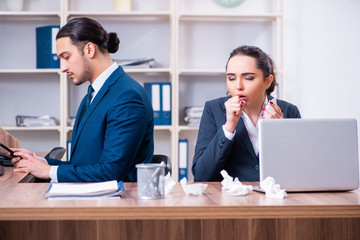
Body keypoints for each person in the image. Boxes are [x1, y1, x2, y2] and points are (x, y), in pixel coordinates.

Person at [11, 17, 154, 182]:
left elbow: (110, 172)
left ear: (89, 50)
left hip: (113, 204)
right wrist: (39, 163)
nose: (63, 68)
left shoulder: (127, 96)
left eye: (67, 57)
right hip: (90, 197)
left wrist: (49, 171)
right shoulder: (92, 95)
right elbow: (83, 165)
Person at [192, 45, 301, 182]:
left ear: (267, 81)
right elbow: (201, 175)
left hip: (276, 198)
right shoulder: (213, 109)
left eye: (248, 78)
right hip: (230, 200)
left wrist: (280, 134)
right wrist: (228, 127)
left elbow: (299, 171)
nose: (238, 86)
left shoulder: (289, 111)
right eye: (231, 78)